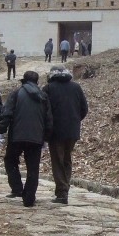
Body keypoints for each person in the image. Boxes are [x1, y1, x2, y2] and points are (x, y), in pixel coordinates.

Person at [0, 71, 52, 207]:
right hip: (36, 137)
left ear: (24, 80)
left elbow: (7, 113)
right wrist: (46, 137)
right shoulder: (43, 96)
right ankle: (29, 198)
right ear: (37, 81)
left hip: (17, 136)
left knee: (10, 160)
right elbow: (48, 119)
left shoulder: (16, 94)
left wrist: (1, 130)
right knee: (33, 167)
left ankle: (17, 188)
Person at [43, 65, 88, 204]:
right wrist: (75, 120)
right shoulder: (76, 87)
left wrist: (46, 128)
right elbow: (84, 108)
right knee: (67, 159)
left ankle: (62, 192)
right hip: (72, 130)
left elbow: (44, 110)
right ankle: (65, 188)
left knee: (57, 160)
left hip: (55, 130)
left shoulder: (48, 88)